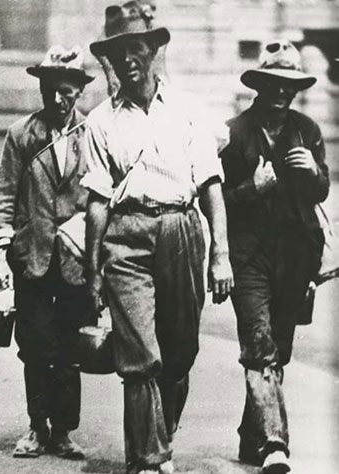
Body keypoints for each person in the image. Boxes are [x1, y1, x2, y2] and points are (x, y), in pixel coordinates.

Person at [84, 3, 234, 473]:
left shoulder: (190, 111)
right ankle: (148, 460)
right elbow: (96, 203)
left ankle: (159, 441)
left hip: (183, 231)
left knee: (179, 350)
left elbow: (211, 184)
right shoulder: (100, 121)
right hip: (126, 239)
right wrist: (93, 271)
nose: (128, 60)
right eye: (117, 53)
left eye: (136, 49)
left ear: (153, 50)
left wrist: (221, 256)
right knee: (139, 356)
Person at [219, 40, 328, 474]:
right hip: (248, 257)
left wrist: (312, 172)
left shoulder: (307, 130)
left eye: (291, 85)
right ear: (260, 85)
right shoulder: (233, 131)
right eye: (275, 84)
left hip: (295, 258)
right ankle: (274, 444)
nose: (282, 93)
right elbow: (216, 199)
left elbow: (321, 191)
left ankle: (252, 437)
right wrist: (253, 189)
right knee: (259, 344)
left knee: (277, 351)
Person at [0, 45, 95, 460]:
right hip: (31, 257)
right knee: (34, 345)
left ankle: (64, 430)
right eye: (51, 89)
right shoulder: (21, 135)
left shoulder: (93, 133)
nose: (58, 99)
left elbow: (105, 197)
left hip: (76, 259)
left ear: (79, 92)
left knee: (70, 347)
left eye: (66, 91)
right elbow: (4, 197)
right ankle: (36, 426)